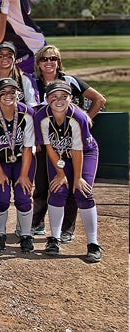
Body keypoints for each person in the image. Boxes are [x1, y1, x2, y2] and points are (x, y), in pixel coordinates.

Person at [31, 45, 107, 239]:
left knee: (77, 188)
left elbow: (99, 99)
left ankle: (70, 231)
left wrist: (87, 118)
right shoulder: (32, 83)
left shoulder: (70, 83)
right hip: (48, 140)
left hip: (75, 143)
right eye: (44, 59)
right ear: (38, 63)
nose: (49, 62)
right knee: (45, 185)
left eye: (53, 59)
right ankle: (39, 225)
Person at [34, 81, 102, 262]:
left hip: (84, 154)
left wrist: (77, 178)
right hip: (58, 154)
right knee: (58, 190)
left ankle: (93, 243)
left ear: (71, 99)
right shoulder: (41, 117)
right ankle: (54, 239)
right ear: (47, 99)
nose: (59, 100)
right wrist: (61, 174)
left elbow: (78, 150)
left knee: (82, 192)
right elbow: (49, 148)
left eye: (64, 96)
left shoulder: (78, 116)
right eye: (54, 97)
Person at [0, 77, 35, 253]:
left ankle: (26, 234)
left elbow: (27, 148)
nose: (8, 95)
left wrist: (24, 175)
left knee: (23, 196)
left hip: (22, 161)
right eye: (3, 92)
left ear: (18, 93)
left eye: (12, 91)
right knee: (1, 196)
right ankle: (0, 232)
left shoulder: (27, 114)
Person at [0, 41, 38, 107]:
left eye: (9, 54)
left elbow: (33, 106)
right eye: (0, 55)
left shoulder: (25, 79)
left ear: (14, 58)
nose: (5, 57)